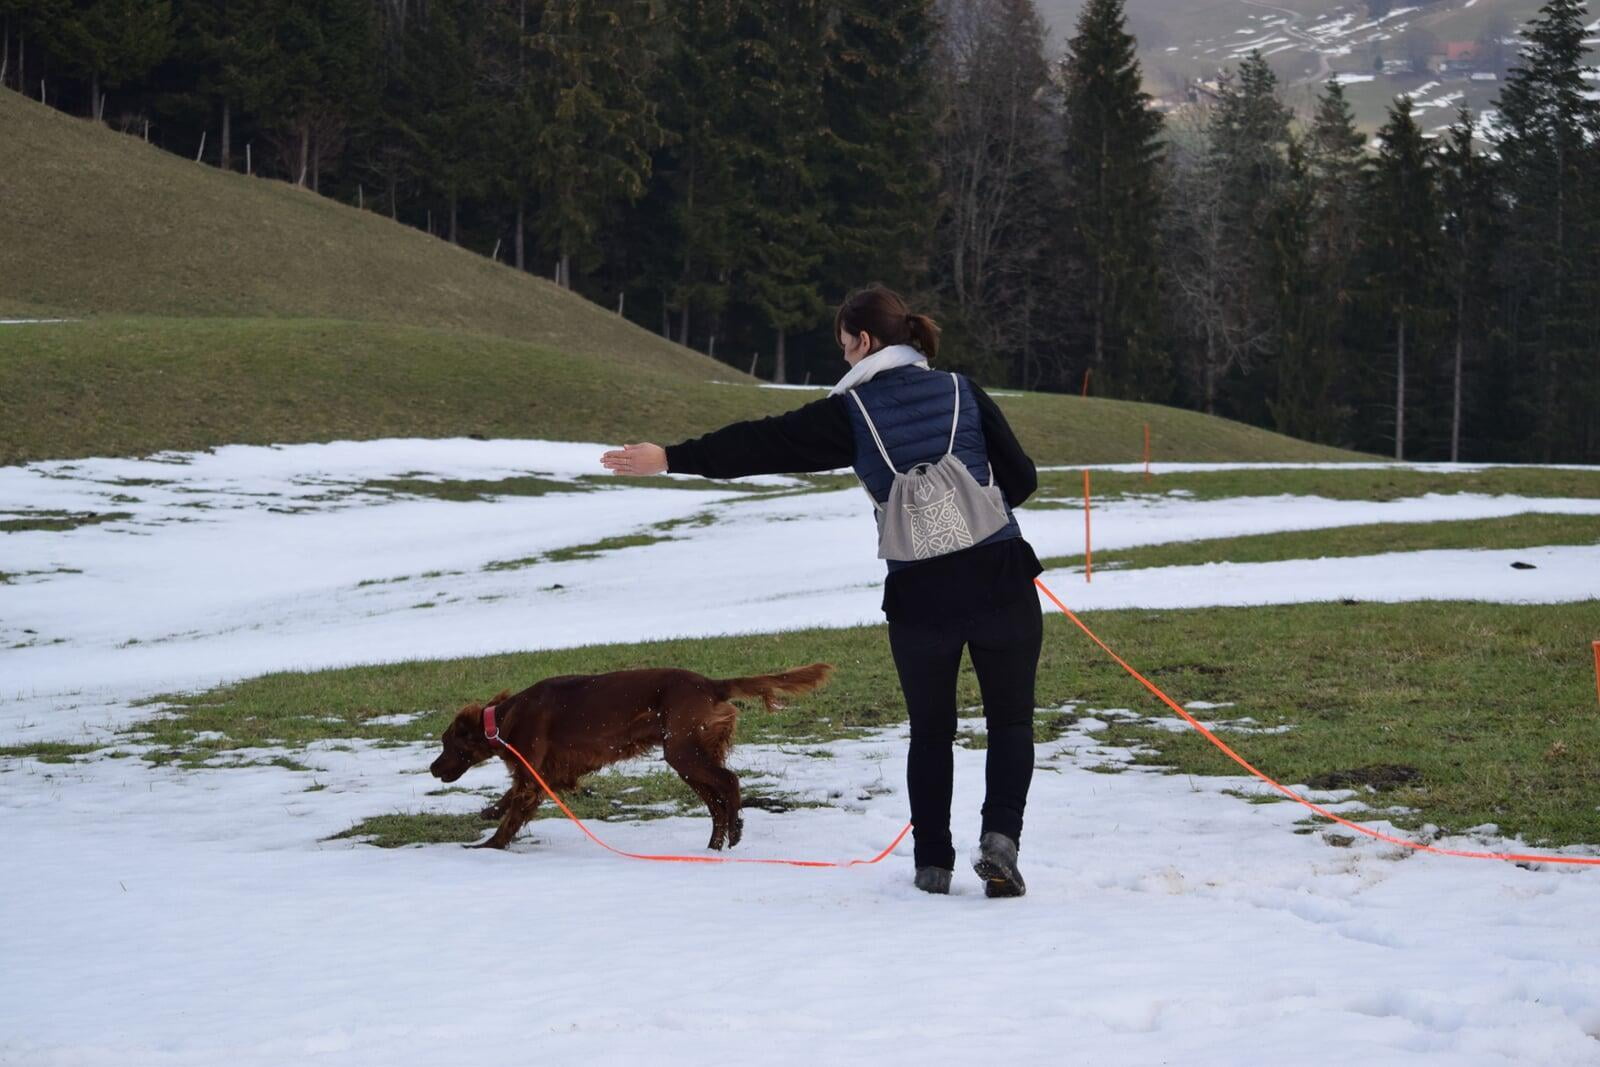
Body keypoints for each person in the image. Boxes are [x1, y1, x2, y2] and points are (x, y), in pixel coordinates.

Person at [600, 284, 1044, 897]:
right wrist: (965, 509)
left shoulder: (852, 413)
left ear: (864, 342)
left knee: (932, 730)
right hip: (1001, 576)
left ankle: (932, 864)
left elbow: (761, 443)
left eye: (844, 347)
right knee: (1011, 722)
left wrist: (671, 457)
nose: (844, 360)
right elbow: (1022, 479)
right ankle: (1000, 843)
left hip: (919, 593)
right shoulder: (963, 391)